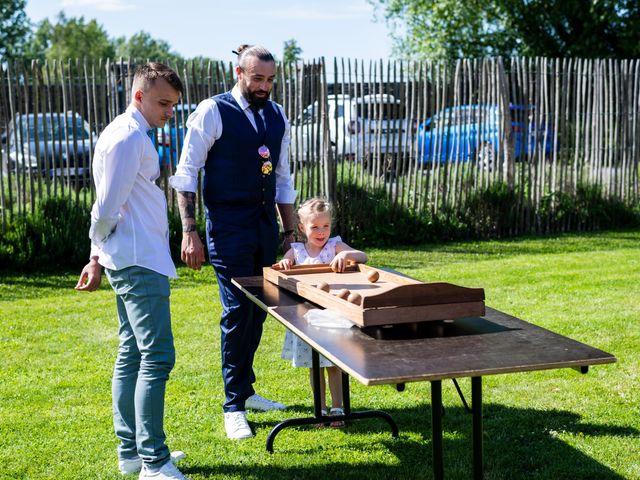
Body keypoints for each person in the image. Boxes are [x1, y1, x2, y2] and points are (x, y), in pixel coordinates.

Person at [169, 44, 297, 440]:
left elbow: (283, 179)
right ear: (238, 73)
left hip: (263, 227)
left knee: (260, 309)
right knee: (238, 310)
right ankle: (233, 406)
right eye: (257, 78)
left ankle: (246, 388)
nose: (264, 86)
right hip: (226, 227)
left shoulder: (277, 116)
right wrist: (190, 230)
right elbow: (187, 173)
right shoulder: (212, 111)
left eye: (271, 79)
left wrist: (290, 235)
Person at [75, 62, 189, 480]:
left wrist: (96, 255)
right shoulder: (127, 137)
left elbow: (108, 204)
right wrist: (98, 250)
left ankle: (134, 452)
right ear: (138, 95)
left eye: (174, 105)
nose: (168, 112)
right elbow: (105, 207)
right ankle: (154, 462)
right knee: (156, 356)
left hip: (132, 258)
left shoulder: (129, 133)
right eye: (163, 103)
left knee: (133, 353)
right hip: (139, 261)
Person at [277, 198, 368, 427]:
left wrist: (347, 255)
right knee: (314, 366)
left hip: (333, 316)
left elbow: (363, 256)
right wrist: (285, 264)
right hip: (306, 318)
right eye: (314, 227)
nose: (321, 232)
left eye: (325, 226)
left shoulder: (334, 246)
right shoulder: (296, 250)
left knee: (334, 364)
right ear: (301, 228)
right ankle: (321, 409)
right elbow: (281, 265)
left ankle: (337, 408)